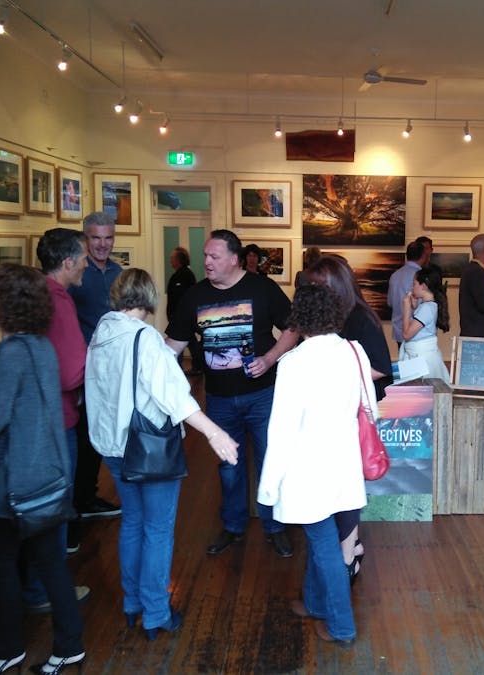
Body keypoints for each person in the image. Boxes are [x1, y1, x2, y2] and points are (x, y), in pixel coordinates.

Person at [85, 268, 238, 641]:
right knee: (157, 531)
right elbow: (175, 398)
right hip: (147, 449)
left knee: (133, 523)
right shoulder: (146, 340)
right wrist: (215, 432)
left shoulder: (102, 334)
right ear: (149, 299)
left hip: (112, 446)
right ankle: (156, 612)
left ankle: (132, 602)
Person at [0, 264, 85, 675]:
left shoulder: (9, 352)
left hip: (16, 479)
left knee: (1, 566)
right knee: (52, 564)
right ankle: (69, 645)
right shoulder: (41, 345)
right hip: (48, 473)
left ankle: (7, 651)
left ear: (5, 302)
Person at [165, 229, 299, 557]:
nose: (207, 262)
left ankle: (275, 526)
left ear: (234, 259)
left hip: (263, 394)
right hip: (219, 400)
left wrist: (269, 359)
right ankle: (233, 526)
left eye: (214, 257)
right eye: (205, 256)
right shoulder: (194, 296)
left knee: (270, 460)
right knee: (229, 466)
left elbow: (293, 328)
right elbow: (172, 346)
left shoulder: (261, 288)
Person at [258, 284, 370, 647]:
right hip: (345, 465)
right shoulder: (355, 351)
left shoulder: (293, 363)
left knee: (322, 545)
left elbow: (281, 431)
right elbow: (372, 409)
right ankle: (313, 602)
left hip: (308, 470)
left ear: (301, 317)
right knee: (321, 541)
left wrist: (268, 486)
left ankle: (341, 627)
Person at [307, 253, 392, 580]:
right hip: (340, 409)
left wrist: (335, 376)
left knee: (346, 483)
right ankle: (351, 547)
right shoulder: (338, 314)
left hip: (353, 412)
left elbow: (380, 367)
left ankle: (348, 552)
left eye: (318, 286)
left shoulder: (358, 317)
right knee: (343, 483)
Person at [24, 227, 90, 610]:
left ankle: (38, 587)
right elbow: (70, 374)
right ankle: (47, 591)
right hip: (58, 417)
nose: (85, 262)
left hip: (39, 416)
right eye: (81, 257)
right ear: (67, 262)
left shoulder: (33, 294)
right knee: (55, 507)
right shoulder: (59, 300)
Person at [68, 212, 122, 525]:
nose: (102, 244)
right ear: (85, 239)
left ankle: (88, 495)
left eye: (108, 238)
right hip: (81, 370)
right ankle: (77, 503)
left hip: (110, 370)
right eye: (96, 238)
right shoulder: (76, 272)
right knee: (81, 437)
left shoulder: (118, 272)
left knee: (98, 434)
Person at [401, 265, 451, 383]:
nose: (412, 287)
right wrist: (414, 307)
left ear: (423, 286)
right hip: (423, 357)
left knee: (418, 394)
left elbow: (407, 334)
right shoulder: (428, 306)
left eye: (414, 284)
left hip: (421, 360)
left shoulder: (427, 308)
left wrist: (407, 308)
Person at [166, 246, 203, 374]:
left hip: (182, 317)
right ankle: (187, 367)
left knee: (183, 340)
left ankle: (183, 367)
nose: (170, 260)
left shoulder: (185, 275)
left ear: (179, 260)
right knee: (187, 340)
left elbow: (185, 297)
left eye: (172, 258)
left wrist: (179, 315)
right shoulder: (178, 275)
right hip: (177, 316)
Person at [388, 241, 428, 348]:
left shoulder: (394, 275)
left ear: (407, 255)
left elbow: (390, 302)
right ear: (423, 256)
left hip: (399, 330)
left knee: (403, 363)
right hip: (418, 331)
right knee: (419, 363)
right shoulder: (422, 276)